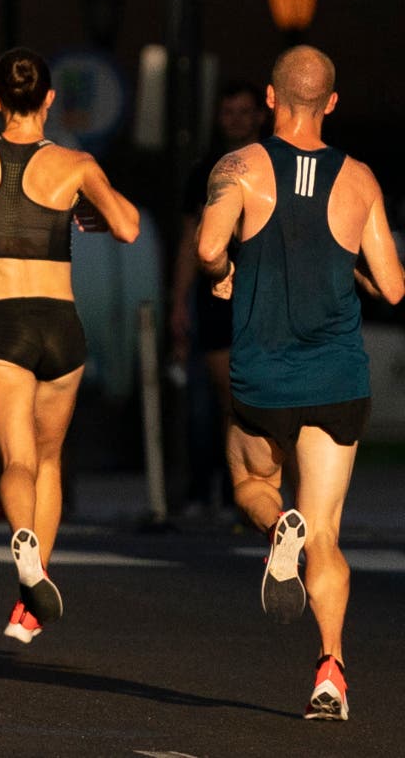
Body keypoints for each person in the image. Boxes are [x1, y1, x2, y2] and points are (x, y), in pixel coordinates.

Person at [196, 47, 403, 722]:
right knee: (328, 535)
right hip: (338, 377)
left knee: (251, 481)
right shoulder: (362, 181)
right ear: (333, 103)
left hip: (262, 379)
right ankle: (331, 670)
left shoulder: (241, 167)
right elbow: (395, 288)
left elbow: (206, 248)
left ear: (270, 97)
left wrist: (228, 268)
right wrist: (357, 275)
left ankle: (274, 524)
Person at [0, 48, 141, 643]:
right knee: (50, 461)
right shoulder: (76, 164)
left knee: (16, 460)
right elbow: (127, 225)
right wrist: (91, 213)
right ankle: (32, 595)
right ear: (49, 99)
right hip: (60, 324)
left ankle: (21, 544)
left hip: (1, 322)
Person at [168, 81, 266, 510]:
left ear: (259, 116)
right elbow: (191, 240)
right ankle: (224, 486)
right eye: (229, 113)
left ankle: (249, 486)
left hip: (267, 294)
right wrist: (178, 301)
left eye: (244, 112)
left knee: (260, 396)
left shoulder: (274, 165)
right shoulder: (205, 170)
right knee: (221, 398)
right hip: (216, 295)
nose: (237, 120)